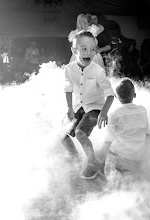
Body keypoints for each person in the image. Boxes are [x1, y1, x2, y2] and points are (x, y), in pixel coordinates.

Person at [63, 30, 115, 180]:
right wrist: (69, 109)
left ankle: (93, 162)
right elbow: (68, 89)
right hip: (78, 106)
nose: (89, 52)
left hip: (96, 107)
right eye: (84, 49)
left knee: (80, 132)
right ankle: (75, 157)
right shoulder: (69, 69)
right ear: (74, 50)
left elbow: (110, 95)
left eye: (92, 49)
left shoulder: (98, 71)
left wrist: (104, 112)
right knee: (61, 133)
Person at [98, 78, 150, 181]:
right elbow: (147, 134)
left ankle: (114, 181)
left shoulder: (114, 114)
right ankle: (133, 176)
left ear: (117, 97)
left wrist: (101, 154)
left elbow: (109, 138)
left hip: (121, 158)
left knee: (108, 163)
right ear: (134, 95)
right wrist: (143, 152)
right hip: (138, 157)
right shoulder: (142, 110)